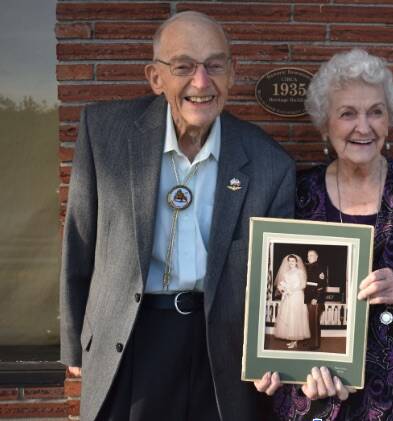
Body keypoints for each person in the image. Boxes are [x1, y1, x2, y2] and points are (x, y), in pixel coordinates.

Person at [59, 11, 295, 421]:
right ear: (156, 77)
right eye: (183, 67)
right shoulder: (105, 132)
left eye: (215, 66)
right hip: (130, 337)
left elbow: (274, 285)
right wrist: (73, 342)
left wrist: (277, 355)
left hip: (221, 350)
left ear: (232, 73)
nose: (201, 83)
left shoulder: (270, 163)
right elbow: (80, 240)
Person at [258, 48, 393, 420]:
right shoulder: (296, 194)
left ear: (389, 120)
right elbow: (266, 299)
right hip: (316, 399)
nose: (364, 126)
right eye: (347, 113)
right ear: (325, 125)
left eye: (376, 111)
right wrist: (282, 367)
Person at [273, 254, 311, 349]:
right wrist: (283, 289)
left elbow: (303, 285)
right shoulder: (286, 273)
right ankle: (292, 339)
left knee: (295, 316)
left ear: (296, 262)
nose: (291, 263)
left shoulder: (300, 272)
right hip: (288, 296)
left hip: (297, 295)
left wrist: (292, 290)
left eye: (293, 261)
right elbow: (282, 284)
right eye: (289, 261)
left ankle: (295, 340)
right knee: (289, 316)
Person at [303, 249, 328, 350]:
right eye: (308, 255)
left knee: (314, 322)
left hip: (315, 299)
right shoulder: (308, 267)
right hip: (308, 298)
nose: (310, 257)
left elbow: (322, 285)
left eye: (312, 255)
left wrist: (316, 298)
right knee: (310, 321)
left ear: (317, 257)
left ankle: (315, 344)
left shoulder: (319, 267)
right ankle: (310, 341)